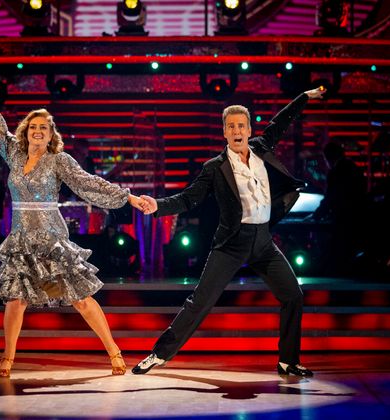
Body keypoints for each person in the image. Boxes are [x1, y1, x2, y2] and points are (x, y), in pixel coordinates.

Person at [132, 88, 326, 377]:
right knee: (200, 302)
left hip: (263, 241)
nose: (237, 131)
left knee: (293, 295)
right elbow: (188, 199)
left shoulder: (261, 148)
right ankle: (159, 354)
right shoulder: (215, 167)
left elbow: (281, 121)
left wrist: (304, 97)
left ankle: (288, 360)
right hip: (231, 244)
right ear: (224, 132)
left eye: (241, 126)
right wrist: (157, 206)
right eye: (231, 126)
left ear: (249, 130)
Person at [0, 78, 146, 378]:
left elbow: (88, 183)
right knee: (15, 300)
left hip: (51, 239)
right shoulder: (14, 153)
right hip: (22, 239)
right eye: (33, 127)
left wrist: (127, 196)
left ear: (51, 135)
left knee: (81, 300)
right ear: (26, 130)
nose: (38, 131)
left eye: (44, 128)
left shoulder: (59, 160)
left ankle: (114, 351)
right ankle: (7, 358)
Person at [312, 141, 367, 273]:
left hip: (343, 218)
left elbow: (331, 197)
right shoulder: (354, 167)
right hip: (358, 216)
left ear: (328, 158)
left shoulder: (335, 172)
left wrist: (317, 215)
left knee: (337, 251)